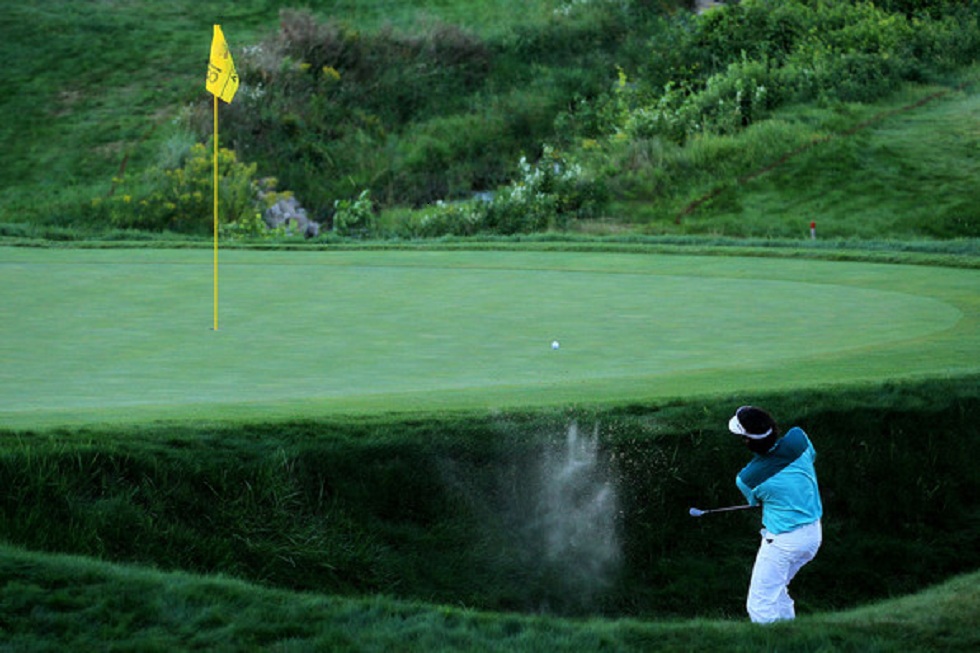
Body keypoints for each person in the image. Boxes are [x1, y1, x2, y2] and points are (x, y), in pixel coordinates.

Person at [728, 405, 823, 624]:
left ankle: (773, 645)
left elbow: (756, 502)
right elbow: (811, 458)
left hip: (783, 542)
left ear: (748, 441)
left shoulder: (747, 478)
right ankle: (790, 637)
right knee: (778, 591)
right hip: (813, 536)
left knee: (759, 605)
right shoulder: (799, 438)